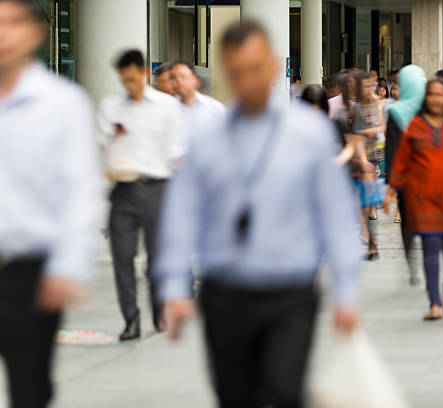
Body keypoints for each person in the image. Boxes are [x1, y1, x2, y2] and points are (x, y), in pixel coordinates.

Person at [154, 21, 361, 408]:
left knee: (284, 392)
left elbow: (335, 212)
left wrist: (347, 291)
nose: (245, 81)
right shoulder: (208, 138)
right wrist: (173, 286)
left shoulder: (308, 134)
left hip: (290, 291)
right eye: (235, 72)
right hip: (225, 291)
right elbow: (181, 213)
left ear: (271, 67)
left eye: (253, 70)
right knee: (234, 396)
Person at [0, 0, 101, 406]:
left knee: (29, 385)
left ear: (34, 34)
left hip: (30, 272)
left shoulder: (62, 103)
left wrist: (68, 266)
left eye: (10, 23)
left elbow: (81, 189)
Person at [99, 49, 186, 341]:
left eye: (134, 79)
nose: (129, 86)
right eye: (124, 81)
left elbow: (176, 150)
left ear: (145, 73)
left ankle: (158, 310)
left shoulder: (166, 106)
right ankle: (131, 321)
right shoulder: (110, 107)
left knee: (157, 258)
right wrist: (112, 145)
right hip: (122, 190)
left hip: (156, 189)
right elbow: (99, 144)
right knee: (122, 257)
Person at [383, 79, 443, 320]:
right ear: (425, 98)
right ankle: (434, 302)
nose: (436, 100)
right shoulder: (416, 125)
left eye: (441, 95)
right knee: (430, 247)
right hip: (423, 200)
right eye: (431, 95)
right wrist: (391, 191)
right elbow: (402, 162)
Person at [384, 65, 427, 285]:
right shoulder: (430, 109)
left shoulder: (396, 112)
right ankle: (426, 258)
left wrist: (392, 181)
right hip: (426, 174)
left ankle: (413, 260)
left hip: (406, 176)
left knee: (408, 220)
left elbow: (391, 149)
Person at [353, 72, 386, 258]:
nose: (369, 90)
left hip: (374, 154)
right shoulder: (356, 107)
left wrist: (378, 130)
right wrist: (369, 131)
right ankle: (366, 236)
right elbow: (355, 133)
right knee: (363, 198)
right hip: (360, 157)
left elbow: (381, 125)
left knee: (369, 198)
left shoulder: (376, 103)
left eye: (370, 86)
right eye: (365, 86)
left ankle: (366, 235)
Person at [171, 61, 226, 141]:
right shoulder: (169, 107)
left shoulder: (214, 108)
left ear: (195, 80)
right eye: (173, 77)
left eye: (182, 76)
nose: (178, 81)